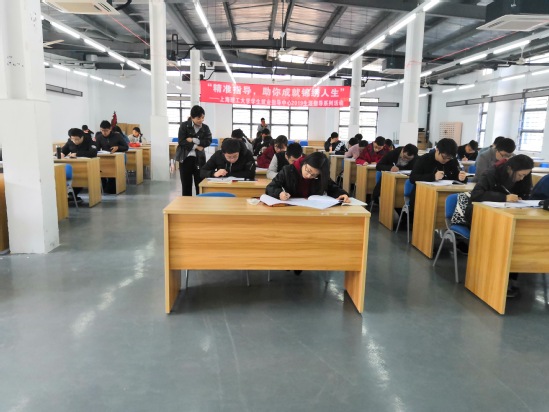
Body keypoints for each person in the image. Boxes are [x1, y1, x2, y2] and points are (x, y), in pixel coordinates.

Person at [465, 154, 534, 298]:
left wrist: (521, 198)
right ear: (510, 169)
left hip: (507, 216)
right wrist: (504, 197)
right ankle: (493, 279)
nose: (522, 178)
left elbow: (527, 194)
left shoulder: (524, 178)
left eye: (525, 175)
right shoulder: (492, 173)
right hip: (481, 215)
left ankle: (511, 277)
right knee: (501, 239)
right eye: (520, 175)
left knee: (518, 237)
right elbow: (476, 195)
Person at [409, 138, 468, 219]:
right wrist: (433, 177)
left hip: (446, 194)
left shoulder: (452, 161)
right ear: (437, 150)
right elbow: (412, 178)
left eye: (449, 158)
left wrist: (462, 178)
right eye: (444, 157)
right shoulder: (424, 159)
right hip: (423, 196)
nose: (446, 160)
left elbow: (456, 177)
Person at [266, 151, 349, 203]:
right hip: (291, 208)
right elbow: (270, 187)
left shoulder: (320, 176)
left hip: (313, 209)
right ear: (304, 162)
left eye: (314, 175)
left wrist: (342, 194)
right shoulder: (288, 170)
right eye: (308, 170)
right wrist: (279, 193)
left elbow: (333, 187)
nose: (309, 176)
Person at [173, 105, 212, 196]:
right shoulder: (184, 126)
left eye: (202, 117)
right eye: (198, 118)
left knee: (200, 185)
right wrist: (196, 147)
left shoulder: (205, 128)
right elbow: (181, 141)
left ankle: (200, 203)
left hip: (199, 159)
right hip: (185, 159)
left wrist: (194, 140)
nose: (201, 120)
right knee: (186, 186)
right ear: (192, 117)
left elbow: (208, 141)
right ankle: (187, 204)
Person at [60, 128, 98, 204]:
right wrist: (61, 154)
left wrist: (77, 154)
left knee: (80, 177)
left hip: (86, 167)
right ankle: (69, 196)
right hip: (73, 166)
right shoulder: (70, 141)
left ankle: (72, 195)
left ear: (82, 137)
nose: (75, 141)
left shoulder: (89, 141)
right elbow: (64, 150)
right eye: (72, 139)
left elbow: (93, 153)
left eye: (77, 139)